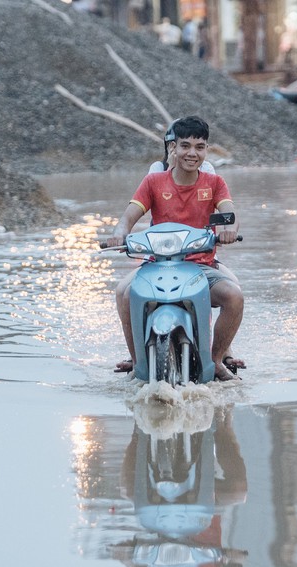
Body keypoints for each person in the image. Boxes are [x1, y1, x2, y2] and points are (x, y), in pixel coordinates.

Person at [106, 116, 244, 381]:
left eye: (199, 147)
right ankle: (138, 362)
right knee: (124, 293)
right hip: (157, 263)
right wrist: (118, 234)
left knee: (234, 297)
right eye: (185, 146)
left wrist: (230, 231)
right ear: (174, 148)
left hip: (201, 266)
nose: (192, 153)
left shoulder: (214, 183)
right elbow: (128, 216)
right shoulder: (153, 181)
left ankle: (215, 360)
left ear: (206, 150)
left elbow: (230, 212)